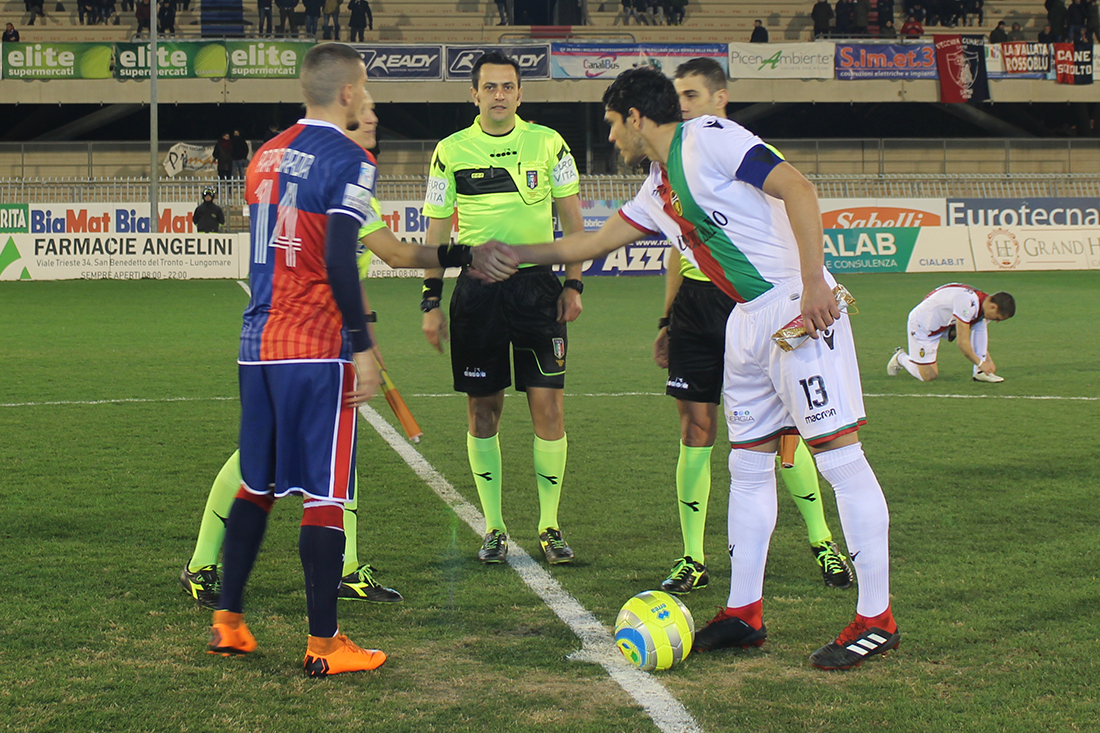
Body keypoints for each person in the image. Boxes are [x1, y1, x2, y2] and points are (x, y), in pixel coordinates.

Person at [478, 66, 899, 671]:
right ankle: (744, 613)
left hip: (794, 306)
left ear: (635, 117)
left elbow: (799, 189)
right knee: (747, 465)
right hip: (746, 322)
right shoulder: (656, 188)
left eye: (612, 124)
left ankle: (876, 620)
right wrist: (515, 253)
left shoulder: (711, 138)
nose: (610, 137)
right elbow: (589, 244)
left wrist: (813, 282)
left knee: (839, 459)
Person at [213, 42, 508, 676]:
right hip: (315, 348)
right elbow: (337, 259)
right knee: (325, 497)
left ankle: (228, 621)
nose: (369, 101)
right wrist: (363, 345)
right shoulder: (349, 158)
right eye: (366, 89)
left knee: (257, 487)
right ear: (347, 92)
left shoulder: (265, 155)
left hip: (257, 345)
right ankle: (325, 644)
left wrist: (460, 255)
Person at [651, 58, 853, 597]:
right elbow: (678, 249)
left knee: (789, 432)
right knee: (696, 429)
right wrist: (667, 318)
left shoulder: (741, 150)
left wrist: (809, 281)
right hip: (697, 307)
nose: (681, 107)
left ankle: (821, 539)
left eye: (692, 96)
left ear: (720, 99)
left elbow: (792, 205)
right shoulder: (669, 168)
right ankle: (693, 556)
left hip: (756, 298)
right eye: (676, 98)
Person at [419, 51, 585, 567]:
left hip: (538, 290)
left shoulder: (549, 143)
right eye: (489, 87)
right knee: (482, 410)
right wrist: (431, 299)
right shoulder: (449, 151)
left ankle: (550, 526)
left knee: (549, 407)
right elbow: (437, 230)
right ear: (474, 94)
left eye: (507, 86)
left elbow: (573, 223)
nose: (499, 95)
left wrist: (574, 284)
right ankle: (493, 527)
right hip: (478, 293)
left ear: (520, 93)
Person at [887, 284, 1015, 384]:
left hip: (945, 323)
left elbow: (979, 338)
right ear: (993, 307)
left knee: (980, 324)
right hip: (923, 327)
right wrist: (981, 363)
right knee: (928, 376)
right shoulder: (967, 302)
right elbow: (962, 343)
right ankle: (900, 357)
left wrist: (987, 361)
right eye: (998, 318)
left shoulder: (982, 303)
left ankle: (980, 373)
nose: (997, 321)